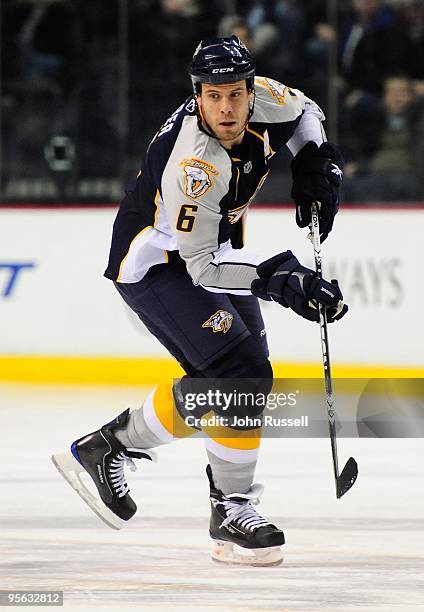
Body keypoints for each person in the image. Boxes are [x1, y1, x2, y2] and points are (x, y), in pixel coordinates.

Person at [52, 36, 347, 566]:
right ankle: (228, 508)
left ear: (250, 89)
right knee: (239, 371)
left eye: (236, 94)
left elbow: (306, 113)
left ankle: (110, 449)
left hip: (217, 249)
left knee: (243, 381)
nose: (228, 108)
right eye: (214, 96)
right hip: (159, 267)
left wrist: (316, 166)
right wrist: (284, 280)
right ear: (198, 96)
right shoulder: (194, 164)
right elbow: (202, 269)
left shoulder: (265, 99)